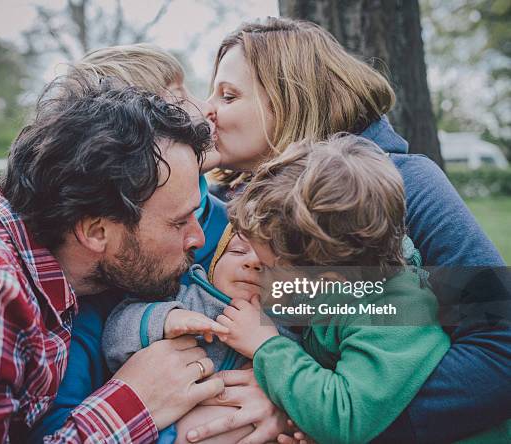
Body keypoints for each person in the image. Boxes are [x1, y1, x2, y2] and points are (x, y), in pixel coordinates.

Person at [184, 17, 510, 443]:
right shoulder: (233, 203)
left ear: (288, 99)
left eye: (228, 95)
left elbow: (500, 345)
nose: (205, 110)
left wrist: (309, 411)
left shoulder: (403, 185)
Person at [0, 71, 225, 442]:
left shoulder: (61, 283)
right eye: (179, 223)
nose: (196, 237)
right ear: (96, 231)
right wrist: (133, 405)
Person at [31, 44, 292, 444]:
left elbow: (393, 304)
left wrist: (288, 390)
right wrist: (171, 430)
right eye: (176, 100)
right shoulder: (87, 283)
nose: (205, 109)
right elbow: (52, 427)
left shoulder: (243, 228)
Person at [221, 134, 510, 444]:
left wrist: (267, 347)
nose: (260, 271)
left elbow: (344, 417)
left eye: (270, 267)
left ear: (328, 280)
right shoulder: (348, 287)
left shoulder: (391, 316)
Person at [102, 224, 301, 443]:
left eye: (274, 261)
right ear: (214, 264)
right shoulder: (182, 300)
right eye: (238, 251)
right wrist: (166, 319)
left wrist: (268, 347)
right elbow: (113, 340)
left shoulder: (291, 337)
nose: (253, 262)